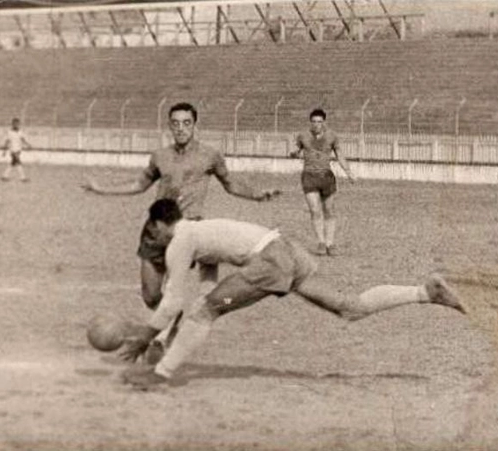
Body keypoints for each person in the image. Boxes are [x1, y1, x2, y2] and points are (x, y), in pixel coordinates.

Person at [120, 198, 466, 388]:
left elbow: (176, 301)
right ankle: (424, 292)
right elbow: (210, 290)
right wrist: (165, 336)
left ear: (158, 225)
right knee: (349, 307)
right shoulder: (197, 233)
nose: (155, 239)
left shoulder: (179, 241)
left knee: (203, 313)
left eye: (154, 233)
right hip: (285, 248)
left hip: (269, 260)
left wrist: (146, 336)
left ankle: (160, 374)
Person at [83, 102, 281, 352]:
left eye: (186, 123)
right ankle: (170, 320)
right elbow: (139, 183)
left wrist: (258, 195)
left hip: (186, 231)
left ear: (194, 125)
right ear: (169, 125)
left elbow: (230, 184)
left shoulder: (210, 155)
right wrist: (101, 188)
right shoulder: (160, 156)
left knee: (173, 288)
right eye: (175, 123)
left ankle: (161, 338)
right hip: (155, 229)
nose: (181, 128)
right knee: (150, 294)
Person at [289, 109, 355, 256]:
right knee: (314, 210)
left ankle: (330, 243)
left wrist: (348, 172)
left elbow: (340, 155)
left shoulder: (332, 136)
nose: (317, 124)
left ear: (324, 122)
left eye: (319, 122)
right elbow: (296, 150)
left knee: (329, 210)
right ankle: (321, 242)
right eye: (314, 121)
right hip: (309, 176)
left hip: (326, 177)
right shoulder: (303, 136)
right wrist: (293, 153)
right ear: (310, 122)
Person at [1, 117, 32, 182]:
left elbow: (22, 139)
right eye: (14, 123)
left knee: (13, 163)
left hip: (18, 149)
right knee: (18, 162)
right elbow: (7, 141)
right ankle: (23, 178)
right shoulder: (9, 132)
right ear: (12, 124)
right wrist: (4, 151)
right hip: (12, 150)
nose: (16, 125)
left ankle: (5, 176)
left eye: (17, 123)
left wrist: (28, 144)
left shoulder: (20, 132)